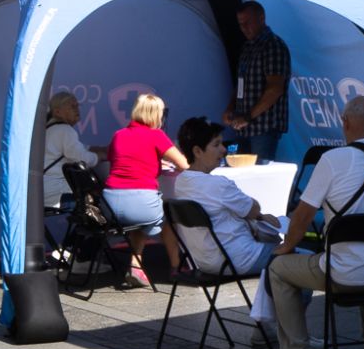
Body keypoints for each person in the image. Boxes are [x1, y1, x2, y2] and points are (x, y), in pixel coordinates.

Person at [258, 95, 364, 349]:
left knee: (279, 268)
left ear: (344, 122)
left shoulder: (333, 160)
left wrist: (287, 246)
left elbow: (303, 216)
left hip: (348, 275)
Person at [170, 114, 283, 276]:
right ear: (197, 151)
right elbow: (254, 209)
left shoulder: (181, 182)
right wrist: (259, 216)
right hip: (239, 259)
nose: (223, 149)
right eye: (216, 145)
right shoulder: (219, 185)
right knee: (298, 258)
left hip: (203, 262)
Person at [102, 92, 188, 289]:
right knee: (168, 217)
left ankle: (136, 264)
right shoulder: (156, 135)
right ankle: (176, 267)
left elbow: (118, 161)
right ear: (157, 115)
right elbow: (183, 164)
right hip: (141, 202)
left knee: (139, 220)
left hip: (109, 204)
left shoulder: (118, 135)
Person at [224, 0, 291, 161]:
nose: (244, 28)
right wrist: (231, 108)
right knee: (239, 174)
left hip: (264, 128)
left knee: (260, 174)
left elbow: (275, 88)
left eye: (248, 23)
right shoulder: (247, 47)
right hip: (242, 127)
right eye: (241, 24)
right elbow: (241, 84)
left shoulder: (273, 46)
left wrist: (248, 116)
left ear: (262, 18)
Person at [41, 91, 101, 210]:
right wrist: (98, 157)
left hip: (41, 191)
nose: (77, 109)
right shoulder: (65, 130)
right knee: (98, 195)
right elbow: (81, 158)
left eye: (77, 106)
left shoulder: (48, 130)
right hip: (57, 194)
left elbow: (81, 147)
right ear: (57, 112)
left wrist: (101, 150)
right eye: (72, 106)